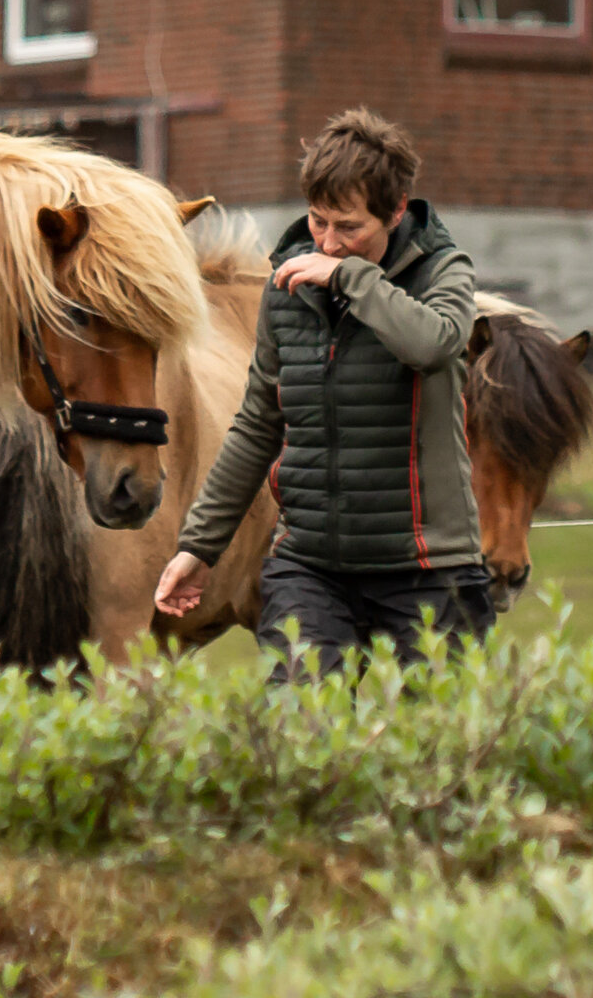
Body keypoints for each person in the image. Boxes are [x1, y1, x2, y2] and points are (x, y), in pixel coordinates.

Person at [154, 109, 490, 676]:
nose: (329, 243)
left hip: (429, 572)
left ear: (397, 210)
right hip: (308, 567)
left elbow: (433, 345)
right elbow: (258, 426)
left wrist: (349, 279)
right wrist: (198, 547)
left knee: (431, 753)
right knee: (305, 735)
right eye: (317, 221)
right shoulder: (287, 289)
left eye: (349, 228)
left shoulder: (442, 272)